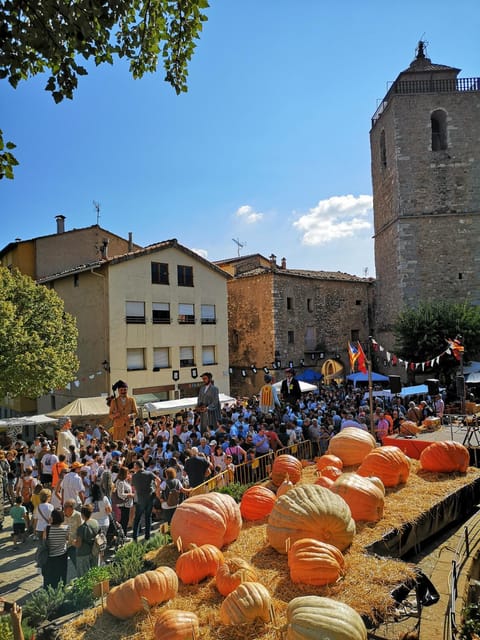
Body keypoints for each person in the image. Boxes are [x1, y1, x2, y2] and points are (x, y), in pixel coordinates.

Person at [131, 459, 159, 542]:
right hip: (150, 497)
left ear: (136, 467)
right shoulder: (149, 473)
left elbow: (133, 487)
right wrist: (156, 489)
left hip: (140, 499)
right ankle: (147, 536)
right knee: (148, 517)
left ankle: (134, 537)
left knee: (137, 518)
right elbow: (159, 480)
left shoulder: (134, 476)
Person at [42, 509, 69, 589]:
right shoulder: (66, 528)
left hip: (50, 556)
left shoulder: (47, 528)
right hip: (62, 555)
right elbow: (67, 540)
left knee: (50, 578)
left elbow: (44, 541)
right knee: (62, 576)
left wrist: (50, 524)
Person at [74, 504, 99, 577]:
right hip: (94, 551)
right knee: (94, 574)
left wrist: (72, 542)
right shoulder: (95, 523)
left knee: (84, 576)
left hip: (83, 554)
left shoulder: (81, 528)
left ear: (82, 515)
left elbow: (78, 544)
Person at [114, 466, 134, 536]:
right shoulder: (120, 482)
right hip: (123, 504)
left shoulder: (123, 481)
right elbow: (120, 494)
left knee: (125, 520)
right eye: (127, 473)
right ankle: (123, 535)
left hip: (126, 504)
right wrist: (130, 495)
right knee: (124, 521)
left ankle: (124, 534)